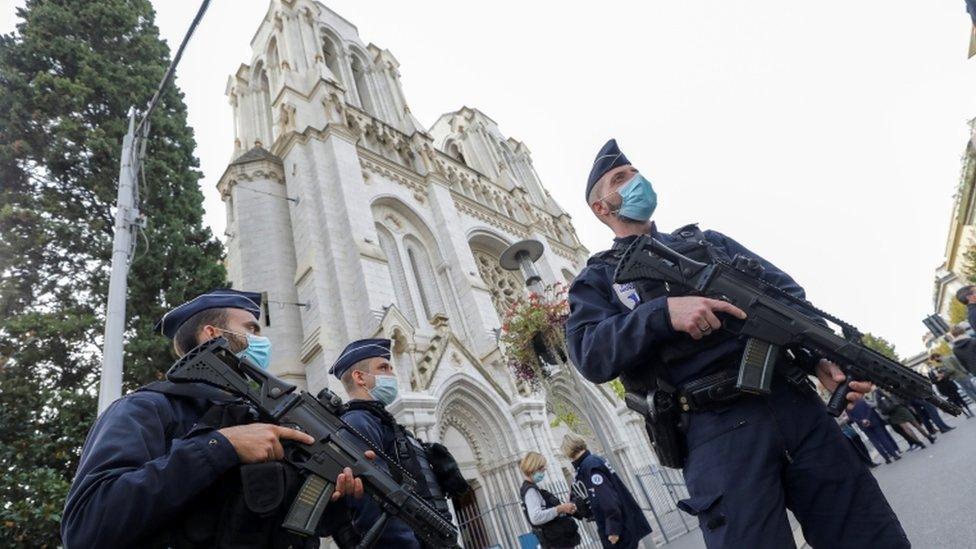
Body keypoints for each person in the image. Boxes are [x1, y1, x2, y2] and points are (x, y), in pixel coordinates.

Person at [565, 139, 907, 548]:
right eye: (621, 179)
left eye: (636, 173)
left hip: (795, 405)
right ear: (601, 208)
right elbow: (589, 353)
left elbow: (789, 298)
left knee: (869, 537)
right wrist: (661, 315)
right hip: (715, 429)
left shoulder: (709, 243)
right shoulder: (599, 279)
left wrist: (821, 359)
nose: (636, 181)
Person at [62, 289, 367, 547]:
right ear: (214, 334)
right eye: (252, 329)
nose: (263, 340)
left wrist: (337, 493)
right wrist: (221, 446)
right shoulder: (147, 409)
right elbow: (86, 524)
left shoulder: (260, 422)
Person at [329, 338, 466, 548]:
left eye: (391, 367)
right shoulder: (358, 421)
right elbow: (373, 500)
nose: (392, 374)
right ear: (359, 377)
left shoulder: (382, 422)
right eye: (383, 367)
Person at [561, 434, 651, 549]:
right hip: (620, 522)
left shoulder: (590, 466)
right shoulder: (593, 461)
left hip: (617, 528)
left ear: (568, 450)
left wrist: (613, 530)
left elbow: (607, 499)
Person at [518, 451, 581, 548]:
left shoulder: (533, 489)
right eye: (541, 470)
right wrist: (559, 509)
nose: (543, 473)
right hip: (554, 542)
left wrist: (564, 508)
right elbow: (536, 517)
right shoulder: (530, 491)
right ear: (533, 468)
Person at [848, 398, 901, 464]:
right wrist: (867, 419)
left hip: (864, 426)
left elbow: (851, 418)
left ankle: (887, 459)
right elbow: (869, 409)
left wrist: (862, 421)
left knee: (875, 442)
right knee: (883, 439)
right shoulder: (861, 401)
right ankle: (895, 455)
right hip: (873, 421)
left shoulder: (848, 408)